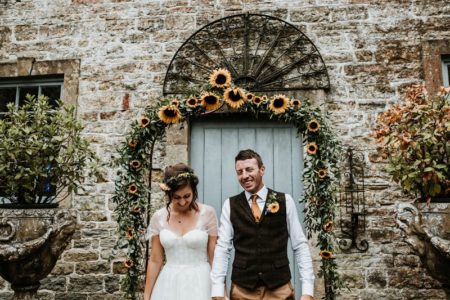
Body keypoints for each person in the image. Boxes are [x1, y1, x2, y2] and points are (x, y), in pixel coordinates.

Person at [211, 149, 315, 300]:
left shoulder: (285, 200)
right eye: (239, 172)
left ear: (262, 170)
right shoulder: (230, 204)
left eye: (249, 170)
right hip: (242, 289)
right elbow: (222, 248)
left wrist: (307, 290)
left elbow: (300, 245)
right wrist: (218, 290)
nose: (244, 176)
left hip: (279, 288)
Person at [144, 163, 218, 300]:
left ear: (194, 191)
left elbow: (214, 257)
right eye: (177, 197)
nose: (183, 202)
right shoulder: (158, 218)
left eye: (187, 196)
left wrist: (220, 289)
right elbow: (155, 260)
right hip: (169, 284)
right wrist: (146, 296)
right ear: (168, 194)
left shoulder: (208, 213)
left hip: (201, 282)